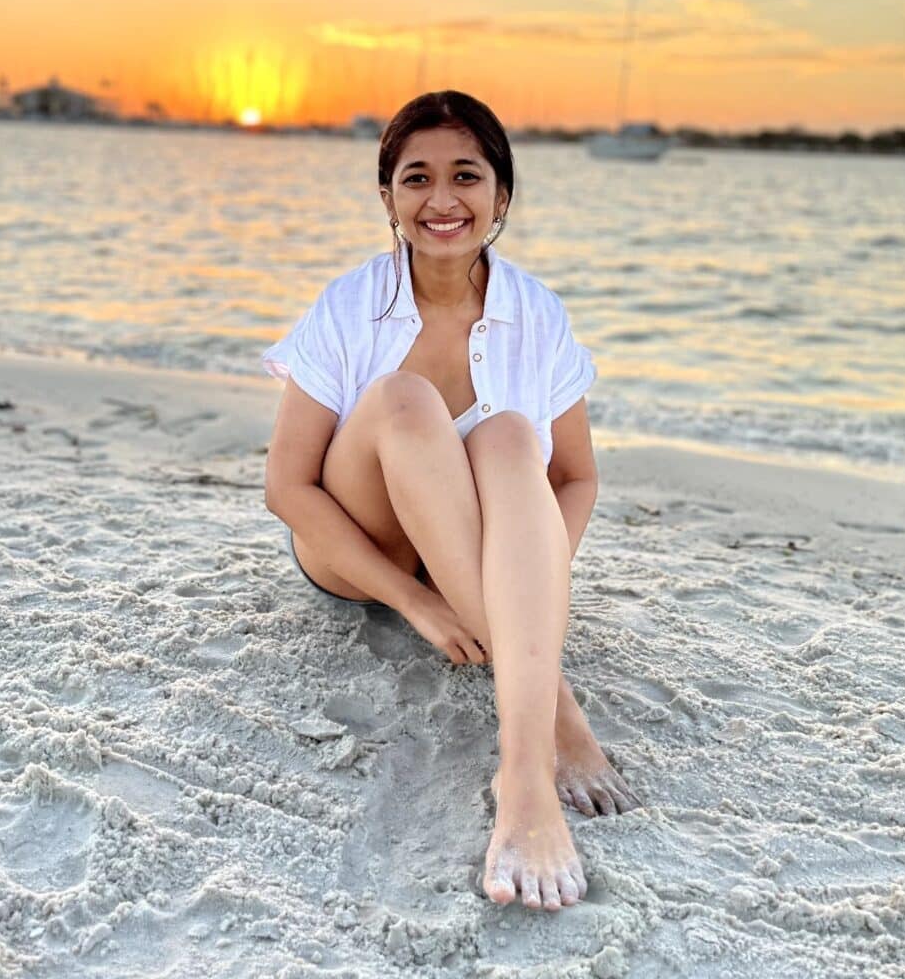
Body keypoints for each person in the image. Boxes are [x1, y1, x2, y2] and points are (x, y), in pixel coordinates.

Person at [261, 90, 640, 912]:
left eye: (465, 176)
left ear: (501, 197)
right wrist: (417, 603)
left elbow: (573, 478)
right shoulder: (351, 304)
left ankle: (521, 779)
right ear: (388, 198)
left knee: (509, 436)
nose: (441, 201)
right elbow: (286, 486)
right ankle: (554, 719)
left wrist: (529, 580)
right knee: (403, 398)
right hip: (364, 552)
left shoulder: (537, 313)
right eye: (416, 178)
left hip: (468, 543)